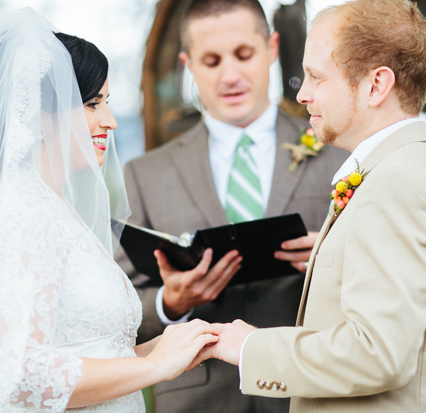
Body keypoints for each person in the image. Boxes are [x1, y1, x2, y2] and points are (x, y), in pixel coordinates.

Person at [0, 9, 219, 412]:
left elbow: (96, 354)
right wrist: (157, 368)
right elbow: (20, 375)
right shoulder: (18, 214)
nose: (110, 121)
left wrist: (168, 350)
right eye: (93, 104)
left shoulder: (56, 210)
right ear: (40, 116)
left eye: (107, 103)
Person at [199, 1, 426, 411]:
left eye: (316, 76)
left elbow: (377, 354)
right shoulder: (411, 172)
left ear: (376, 85)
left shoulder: (398, 187)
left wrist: (250, 346)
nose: (302, 94)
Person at [113, 0, 346, 411]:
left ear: (272, 48)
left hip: (310, 393)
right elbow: (117, 314)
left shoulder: (337, 154)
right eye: (211, 60)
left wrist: (334, 260)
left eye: (243, 55)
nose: (230, 75)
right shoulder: (145, 175)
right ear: (188, 63)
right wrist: (171, 302)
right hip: (197, 399)